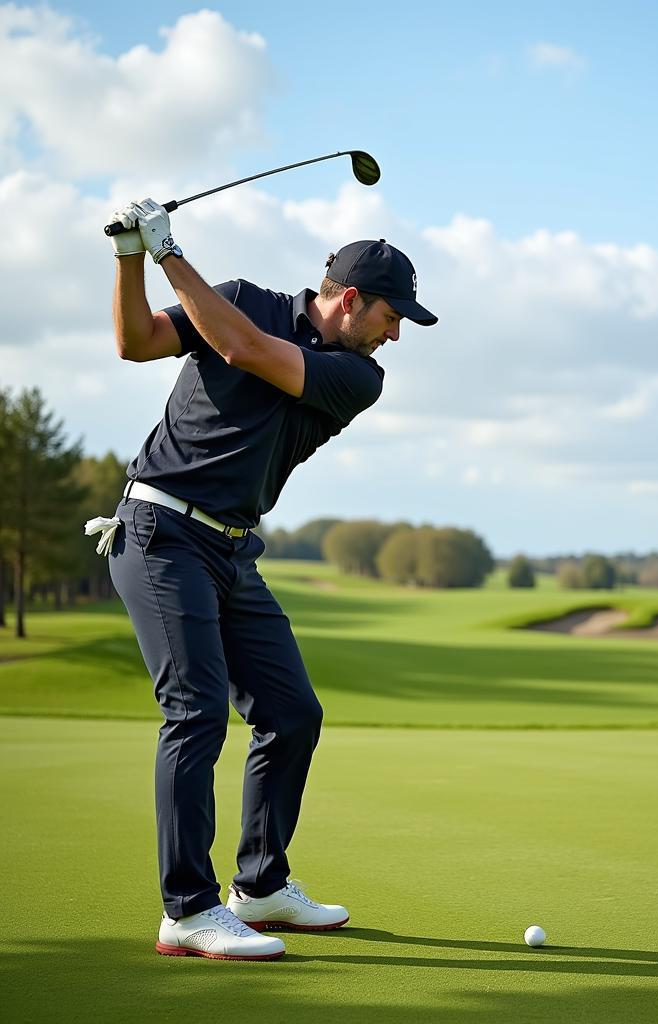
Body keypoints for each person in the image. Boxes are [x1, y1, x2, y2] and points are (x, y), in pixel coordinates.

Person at [97, 198, 437, 960]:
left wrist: (167, 251)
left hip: (229, 550)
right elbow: (136, 341)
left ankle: (258, 888)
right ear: (350, 299)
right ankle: (185, 909)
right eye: (393, 315)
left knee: (292, 712)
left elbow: (248, 351)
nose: (396, 334)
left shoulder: (356, 374)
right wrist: (130, 257)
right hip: (158, 530)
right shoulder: (242, 298)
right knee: (196, 712)